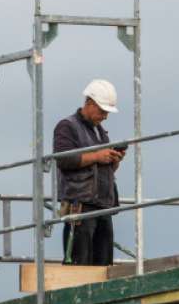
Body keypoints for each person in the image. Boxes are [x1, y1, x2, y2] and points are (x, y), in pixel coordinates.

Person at [53, 79, 128, 265]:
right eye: (102, 111)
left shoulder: (100, 132)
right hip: (81, 206)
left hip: (102, 205)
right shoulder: (67, 126)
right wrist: (97, 156)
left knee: (104, 266)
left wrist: (113, 161)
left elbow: (101, 167)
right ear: (89, 103)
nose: (105, 116)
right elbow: (63, 159)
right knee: (80, 264)